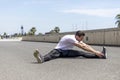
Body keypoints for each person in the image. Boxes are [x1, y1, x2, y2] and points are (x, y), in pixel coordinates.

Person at [33, 30, 107, 63]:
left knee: (82, 53)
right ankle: (42, 59)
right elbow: (82, 47)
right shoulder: (70, 38)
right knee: (51, 55)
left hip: (68, 52)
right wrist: (94, 51)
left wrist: (97, 52)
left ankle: (101, 55)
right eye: (81, 38)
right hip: (59, 50)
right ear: (77, 36)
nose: (81, 40)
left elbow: (85, 45)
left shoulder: (77, 38)